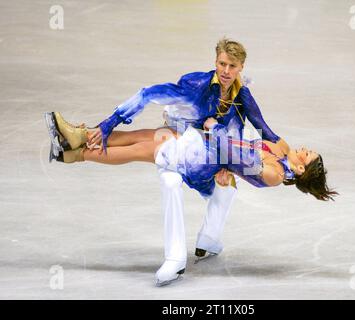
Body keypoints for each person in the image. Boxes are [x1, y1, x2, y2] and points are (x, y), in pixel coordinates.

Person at [46, 38, 282, 286]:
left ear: (241, 67)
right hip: (187, 140)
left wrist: (287, 164)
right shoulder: (197, 84)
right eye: (222, 64)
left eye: (232, 66)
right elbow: (148, 94)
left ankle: (75, 146)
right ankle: (176, 258)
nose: (225, 71)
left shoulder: (241, 95)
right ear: (215, 61)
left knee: (148, 148)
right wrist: (108, 123)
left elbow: (262, 131)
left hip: (207, 156)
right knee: (145, 148)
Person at [45, 112, 338, 285]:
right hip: (208, 143)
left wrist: (213, 127)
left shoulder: (274, 173)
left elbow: (238, 157)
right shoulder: (283, 149)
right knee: (147, 135)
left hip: (204, 158)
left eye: (308, 153)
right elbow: (257, 122)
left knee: (142, 150)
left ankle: (76, 154)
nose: (305, 147)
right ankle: (81, 135)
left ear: (301, 169)